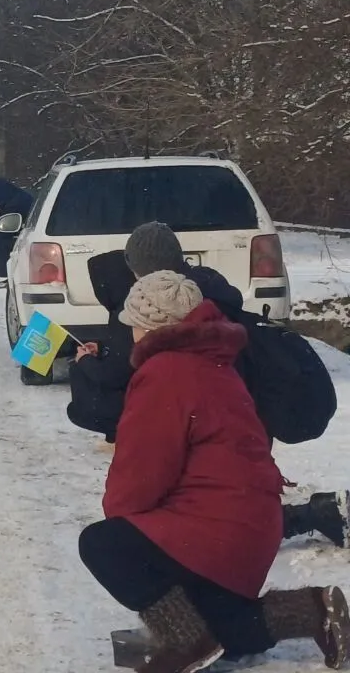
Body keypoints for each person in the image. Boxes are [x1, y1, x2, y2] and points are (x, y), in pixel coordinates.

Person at [78, 270, 350, 672]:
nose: (130, 334)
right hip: (252, 526)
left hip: (217, 529)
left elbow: (140, 478)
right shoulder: (215, 364)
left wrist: (131, 538)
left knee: (103, 545)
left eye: (133, 324)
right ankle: (314, 610)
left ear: (151, 327)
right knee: (222, 628)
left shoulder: (165, 373)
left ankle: (185, 642)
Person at [70, 222, 350, 549]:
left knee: (204, 509)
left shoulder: (157, 310)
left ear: (134, 268)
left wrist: (87, 365)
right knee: (228, 494)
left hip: (205, 420)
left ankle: (298, 529)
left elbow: (120, 379)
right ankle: (314, 515)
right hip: (246, 408)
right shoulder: (212, 292)